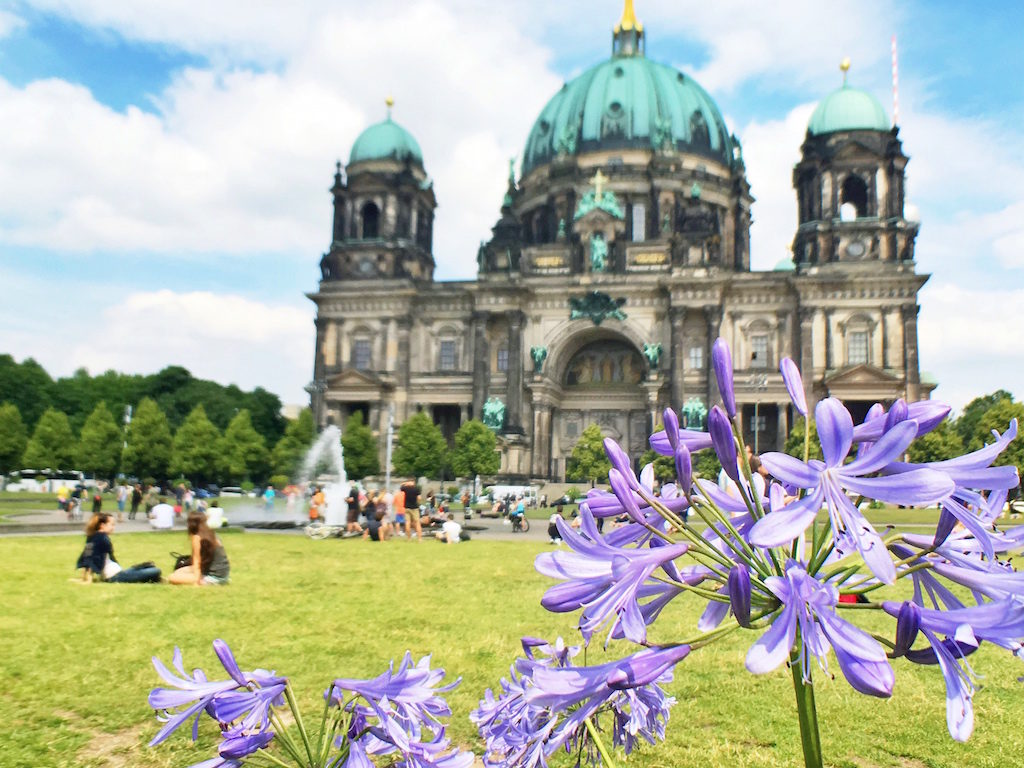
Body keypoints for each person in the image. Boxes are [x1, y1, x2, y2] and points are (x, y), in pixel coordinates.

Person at [76, 513, 161, 583]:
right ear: (102, 525)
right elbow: (92, 559)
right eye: (112, 525)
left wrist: (84, 578)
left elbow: (86, 557)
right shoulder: (101, 539)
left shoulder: (93, 537)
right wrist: (88, 580)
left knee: (148, 567)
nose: (113, 528)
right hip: (115, 576)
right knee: (156, 571)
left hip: (118, 573)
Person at [169, 512, 231, 586]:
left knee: (172, 577)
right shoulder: (212, 534)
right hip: (224, 575)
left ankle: (202, 581)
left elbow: (197, 561)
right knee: (178, 572)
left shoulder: (197, 537)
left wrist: (196, 581)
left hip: (213, 578)